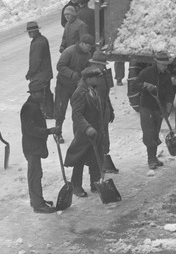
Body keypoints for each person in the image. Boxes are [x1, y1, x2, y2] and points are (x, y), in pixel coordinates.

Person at [63, 66, 109, 198]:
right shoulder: (79, 93)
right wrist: (87, 128)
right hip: (84, 133)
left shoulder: (94, 90)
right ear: (88, 79)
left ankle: (95, 183)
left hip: (96, 131)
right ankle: (76, 186)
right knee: (80, 159)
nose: (97, 80)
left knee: (96, 158)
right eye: (95, 78)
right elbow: (77, 115)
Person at [20, 79, 60, 213]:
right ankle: (38, 205)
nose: (43, 95)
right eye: (40, 93)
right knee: (35, 175)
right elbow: (32, 130)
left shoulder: (35, 105)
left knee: (36, 174)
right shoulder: (28, 108)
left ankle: (37, 200)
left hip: (35, 146)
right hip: (32, 147)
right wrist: (49, 131)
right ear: (33, 93)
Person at [137, 50, 175, 169]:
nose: (164, 67)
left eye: (166, 65)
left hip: (159, 108)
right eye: (163, 65)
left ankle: (153, 156)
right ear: (157, 63)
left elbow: (170, 92)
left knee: (155, 132)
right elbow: (134, 86)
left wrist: (168, 107)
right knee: (148, 133)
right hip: (146, 107)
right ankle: (151, 159)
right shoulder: (146, 72)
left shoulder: (166, 75)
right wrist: (144, 85)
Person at [55, 34, 95, 142]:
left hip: (75, 87)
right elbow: (60, 66)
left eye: (90, 47)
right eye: (88, 46)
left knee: (77, 112)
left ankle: (77, 135)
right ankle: (57, 133)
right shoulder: (69, 51)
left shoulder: (88, 55)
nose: (89, 49)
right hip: (62, 86)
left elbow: (88, 67)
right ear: (82, 43)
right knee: (60, 110)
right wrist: (72, 74)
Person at [88, 50, 119, 173]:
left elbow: (106, 96)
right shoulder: (90, 79)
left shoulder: (103, 75)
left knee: (104, 136)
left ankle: (104, 160)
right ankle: (99, 163)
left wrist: (110, 109)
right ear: (95, 64)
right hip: (96, 113)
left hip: (104, 111)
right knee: (99, 138)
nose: (104, 67)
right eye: (101, 65)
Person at [25, 20, 55, 122]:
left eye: (31, 31)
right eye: (29, 32)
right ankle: (50, 112)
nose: (30, 33)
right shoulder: (42, 39)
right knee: (46, 92)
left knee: (42, 94)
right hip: (46, 73)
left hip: (40, 74)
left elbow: (35, 60)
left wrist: (30, 73)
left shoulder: (37, 43)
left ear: (36, 31)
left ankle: (47, 113)